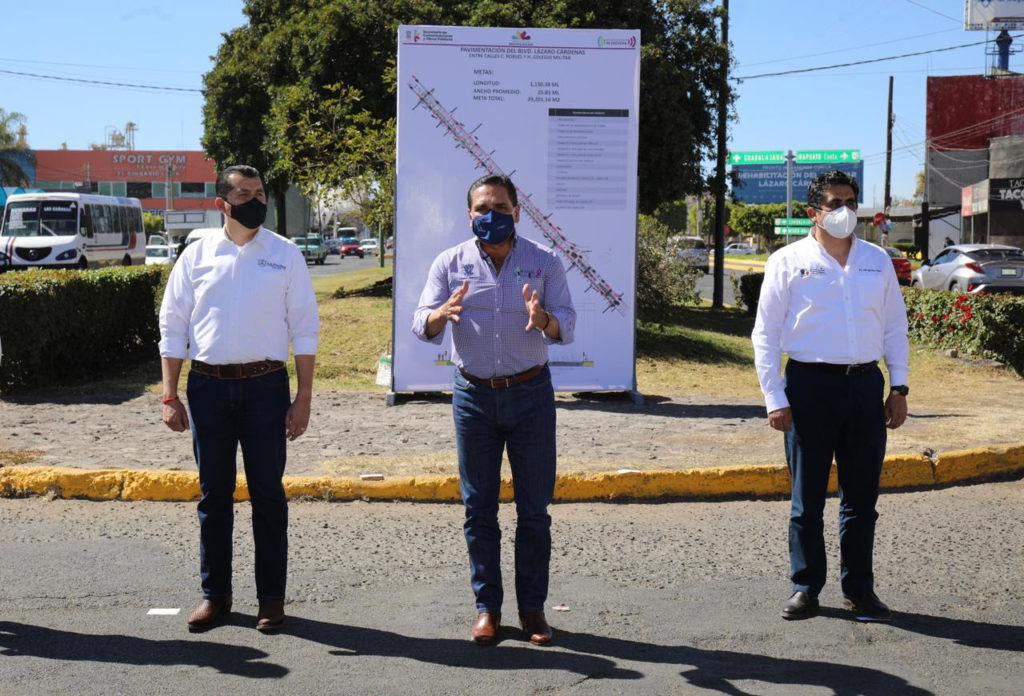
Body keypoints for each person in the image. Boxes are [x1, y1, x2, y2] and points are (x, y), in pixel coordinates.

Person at [412, 174, 576, 646]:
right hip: (474, 398)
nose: (492, 216)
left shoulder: (545, 262)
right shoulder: (450, 263)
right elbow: (421, 322)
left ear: (518, 212)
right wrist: (441, 315)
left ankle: (532, 610)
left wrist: (542, 319)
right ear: (468, 214)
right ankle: (488, 609)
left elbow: (567, 322)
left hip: (531, 396)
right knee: (478, 508)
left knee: (534, 510)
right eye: (483, 208)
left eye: (501, 207)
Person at [159, 164, 319, 633]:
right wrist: (169, 394)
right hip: (208, 388)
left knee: (269, 495)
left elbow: (305, 328)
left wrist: (303, 396)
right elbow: (174, 323)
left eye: (260, 192)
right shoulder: (196, 253)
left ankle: (271, 600)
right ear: (222, 203)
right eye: (245, 193)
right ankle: (216, 597)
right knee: (214, 496)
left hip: (266, 388)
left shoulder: (285, 254)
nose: (256, 200)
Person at [751, 169, 909, 623]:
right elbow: (765, 334)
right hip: (809, 389)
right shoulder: (787, 260)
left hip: (864, 387)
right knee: (808, 499)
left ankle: (859, 589)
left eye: (851, 202)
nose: (845, 212)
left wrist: (898, 387)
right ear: (812, 212)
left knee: (861, 498)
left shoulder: (877, 260)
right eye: (834, 203)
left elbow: (895, 328)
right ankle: (806, 587)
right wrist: (774, 397)